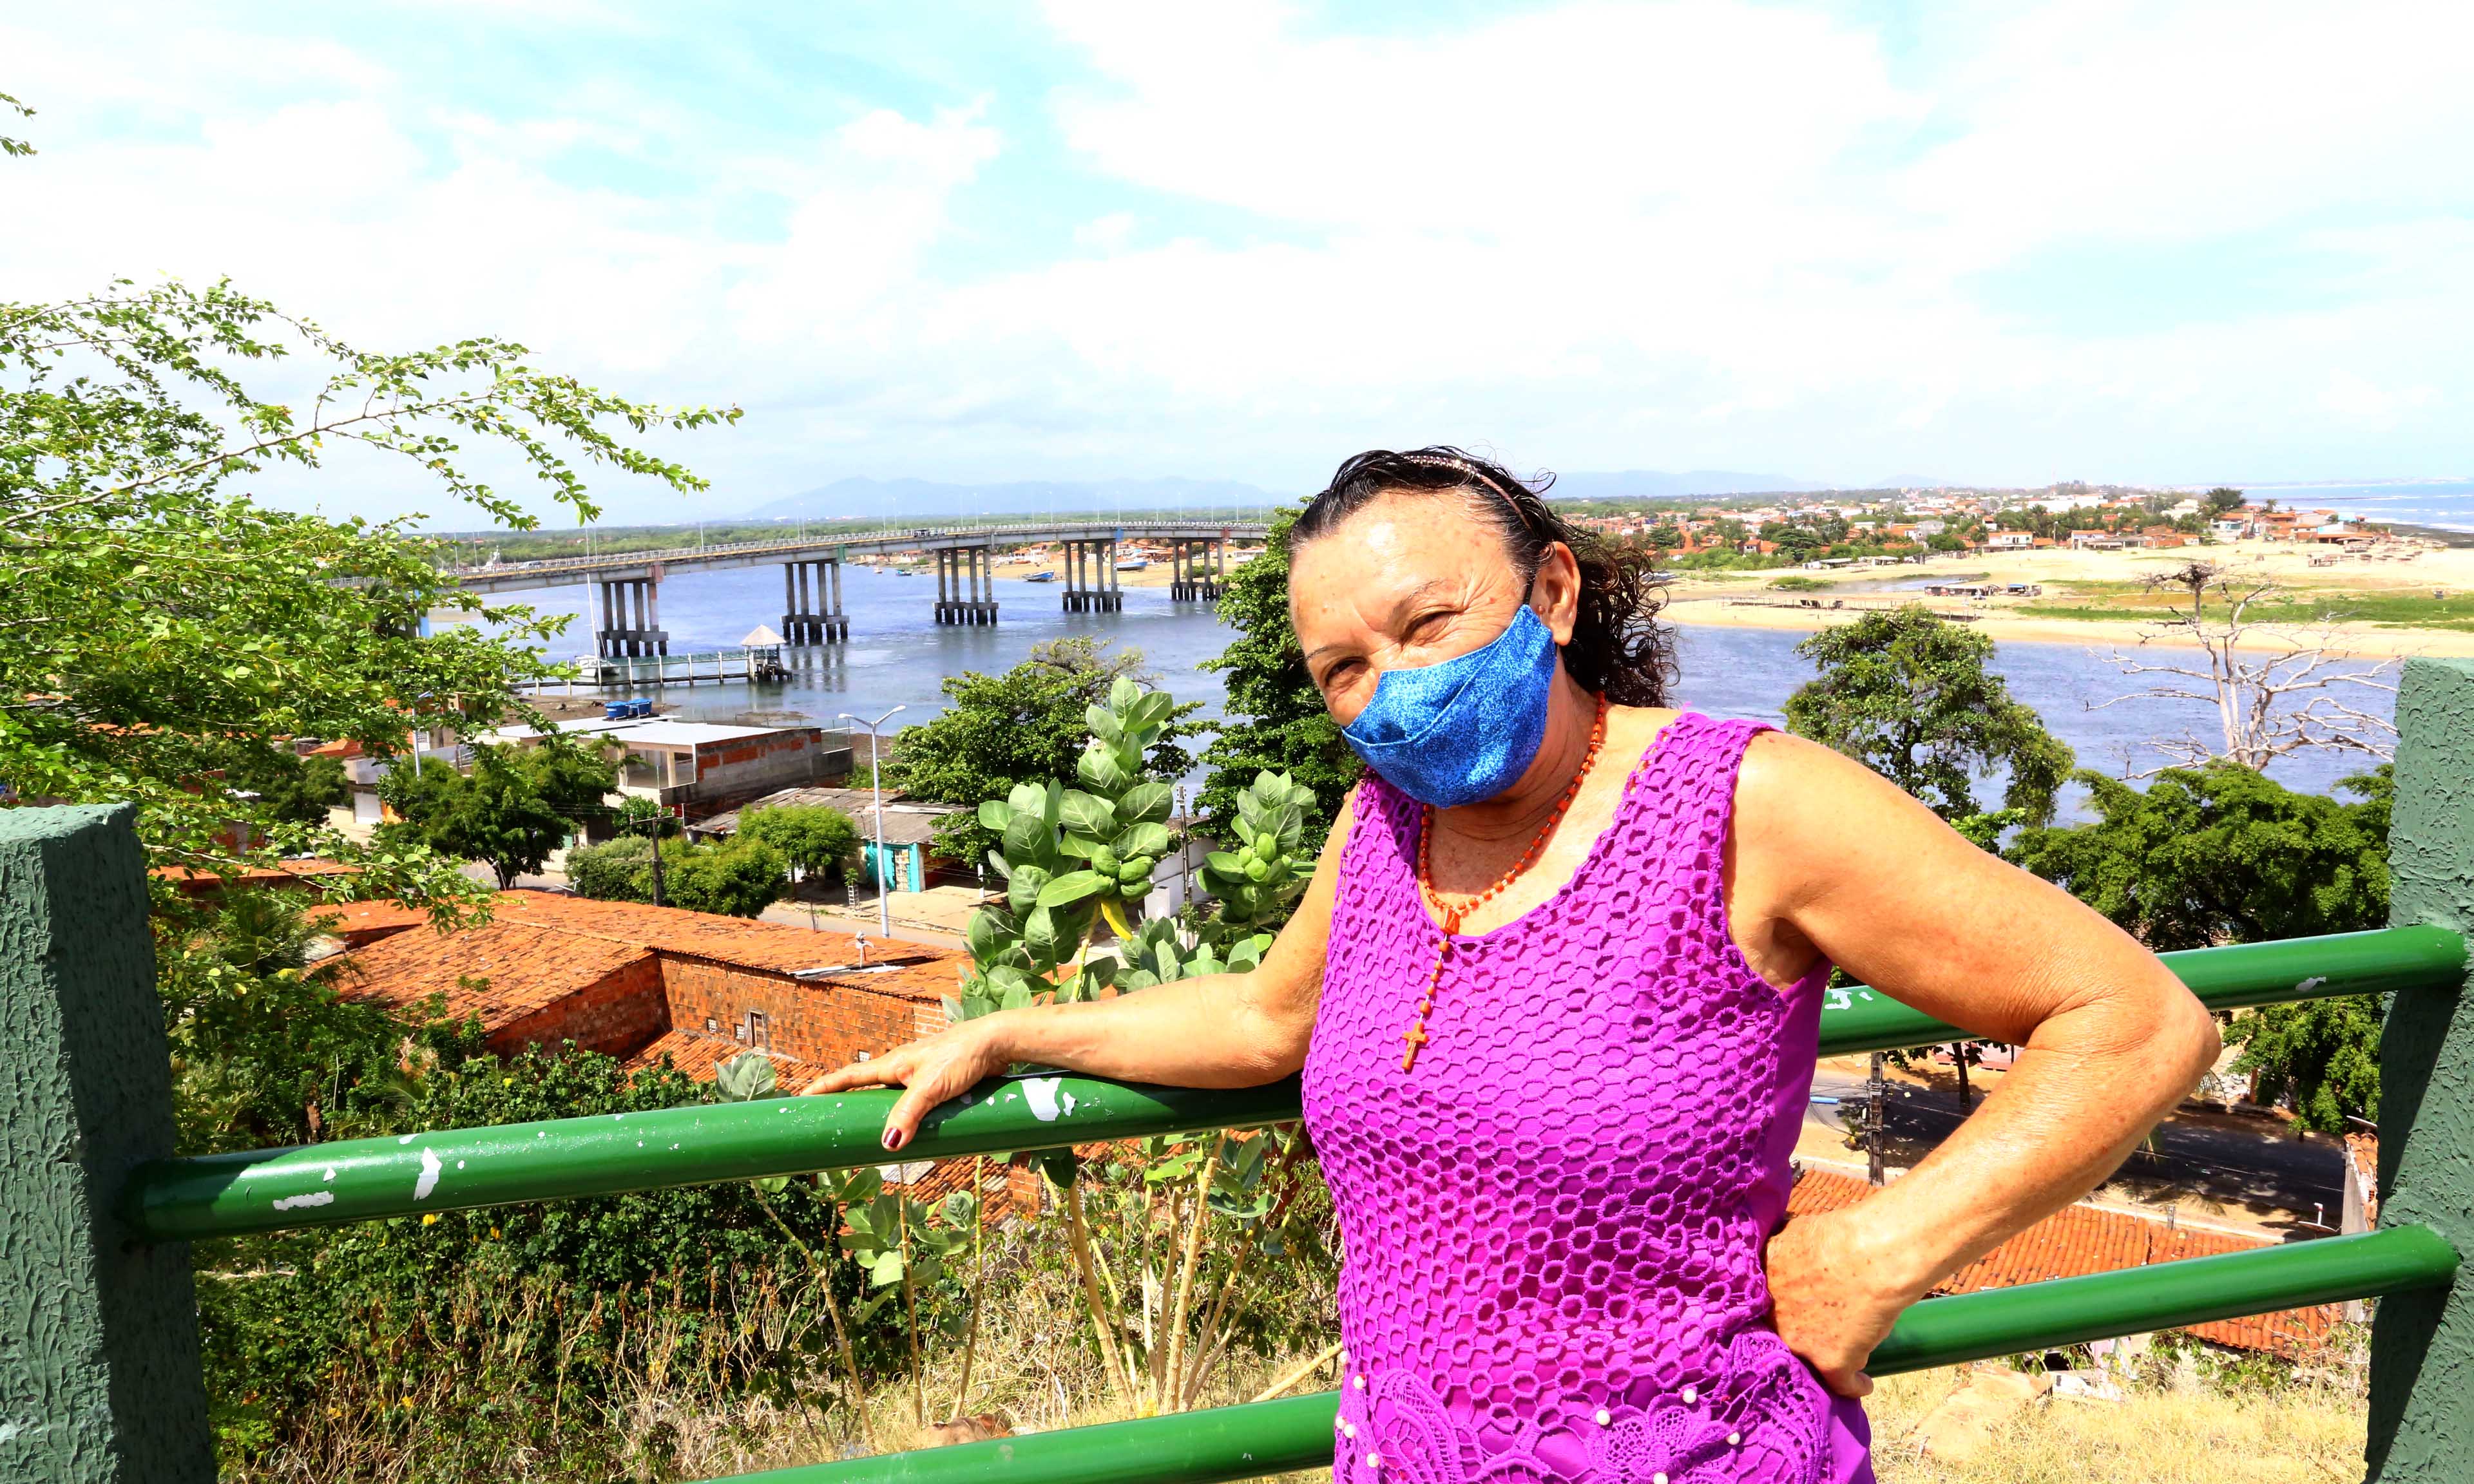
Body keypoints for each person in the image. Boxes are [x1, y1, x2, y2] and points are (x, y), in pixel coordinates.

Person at [805, 448, 2220, 1484]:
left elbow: (2134, 1015)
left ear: (1549, 591)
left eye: (1429, 625)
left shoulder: (1749, 806)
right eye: (1343, 667)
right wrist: (1009, 1033)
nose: (1392, 684)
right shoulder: (1381, 828)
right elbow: (1261, 1018)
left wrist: (1881, 1249)